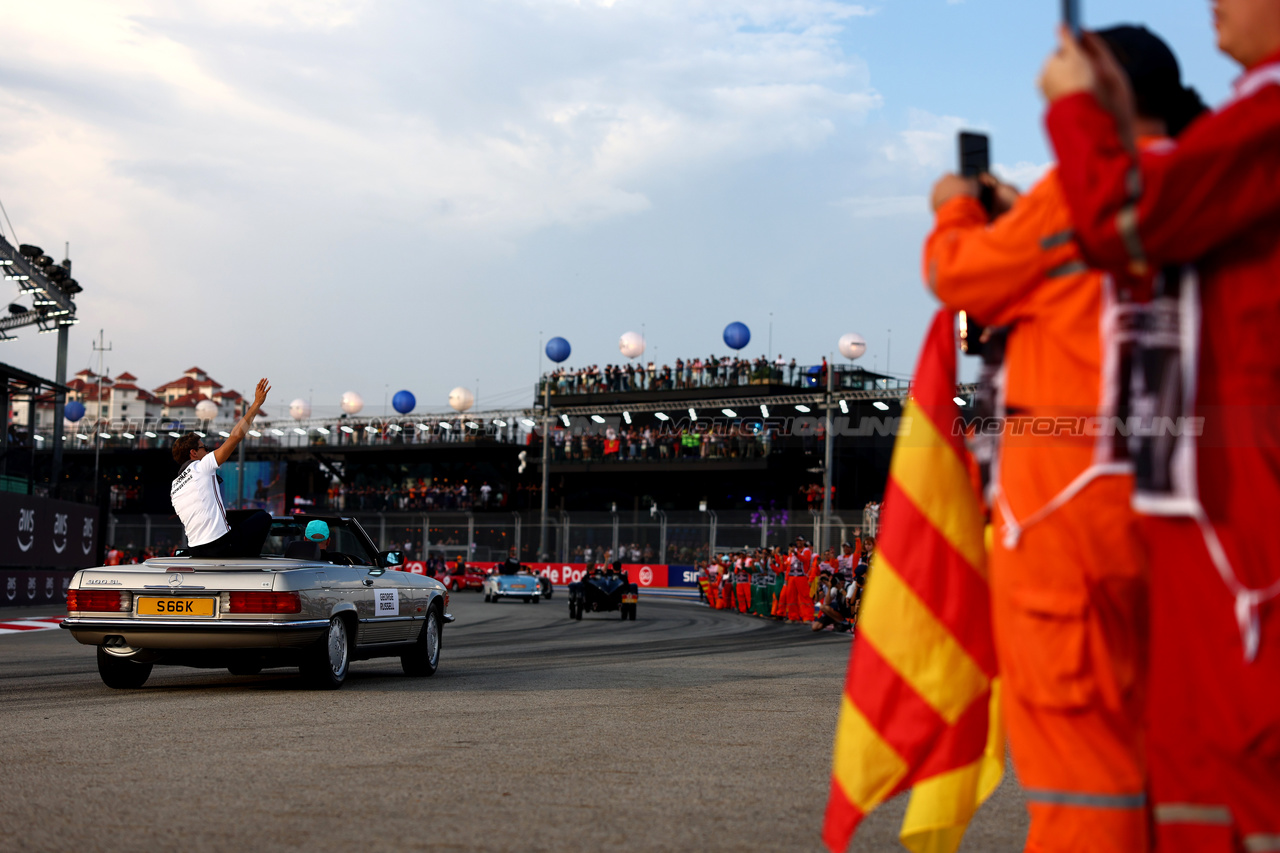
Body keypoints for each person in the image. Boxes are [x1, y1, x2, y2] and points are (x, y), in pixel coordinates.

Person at [925, 25, 1210, 851]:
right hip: (1183, 504)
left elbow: (960, 275)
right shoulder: (1203, 180)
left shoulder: (1072, 199)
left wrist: (955, 204)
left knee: (1078, 769)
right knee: (1170, 755)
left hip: (1067, 521)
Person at [1040, 6, 1280, 850]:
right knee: (1200, 763)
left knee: (1241, 748)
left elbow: (1124, 221)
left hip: (1239, 494)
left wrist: (1072, 112)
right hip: (1201, 481)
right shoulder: (1243, 120)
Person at [170, 378, 272, 558]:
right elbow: (235, 436)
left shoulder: (175, 486)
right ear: (193, 453)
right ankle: (248, 562)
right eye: (204, 448)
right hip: (220, 546)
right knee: (264, 518)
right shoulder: (201, 467)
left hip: (195, 549)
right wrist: (256, 403)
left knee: (245, 515)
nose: (208, 450)